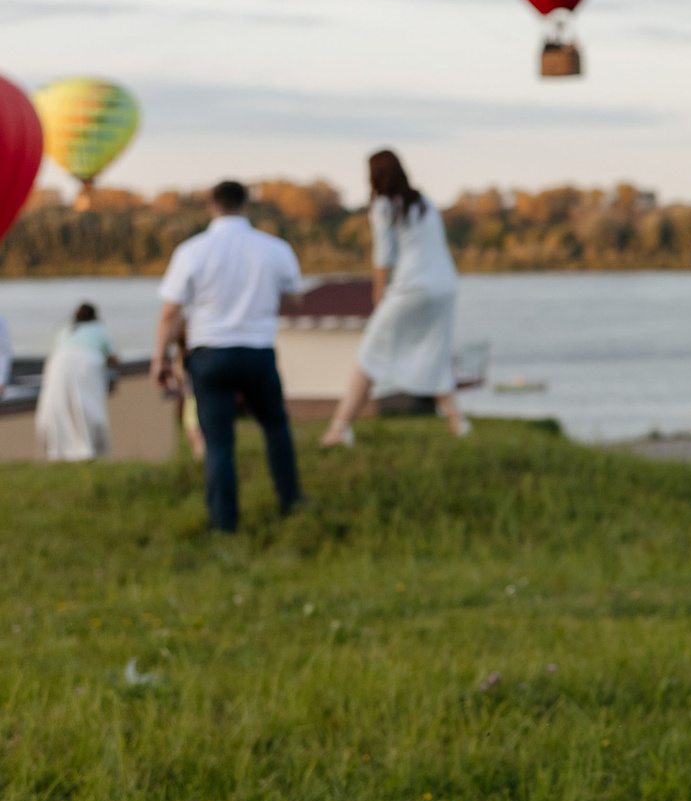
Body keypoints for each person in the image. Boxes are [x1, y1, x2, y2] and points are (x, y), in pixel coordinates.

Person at [154, 181, 304, 532]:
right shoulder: (275, 248)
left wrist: (159, 358)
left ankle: (223, 522)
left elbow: (169, 313)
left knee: (219, 441)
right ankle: (291, 499)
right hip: (257, 352)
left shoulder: (191, 251)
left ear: (211, 207)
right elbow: (295, 298)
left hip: (209, 356)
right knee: (276, 426)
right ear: (246, 206)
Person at [321, 150, 468, 446]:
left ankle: (339, 428)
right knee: (435, 353)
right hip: (444, 287)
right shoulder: (423, 202)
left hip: (413, 288)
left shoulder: (383, 206)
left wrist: (378, 295)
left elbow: (383, 255)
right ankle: (458, 422)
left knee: (369, 354)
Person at [35, 302, 117, 461]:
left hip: (57, 364)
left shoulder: (65, 329)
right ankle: (89, 450)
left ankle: (59, 451)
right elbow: (113, 357)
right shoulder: (99, 329)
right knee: (88, 407)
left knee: (57, 407)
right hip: (87, 364)